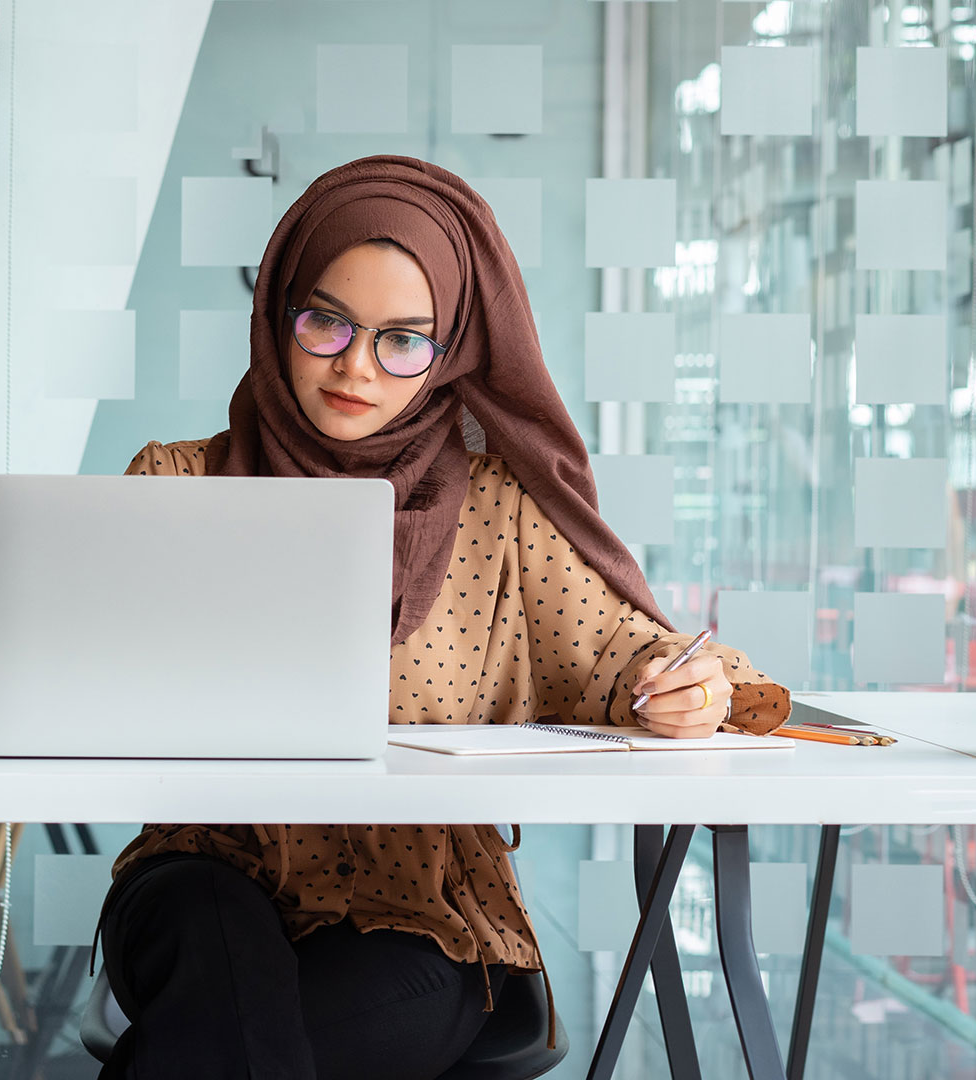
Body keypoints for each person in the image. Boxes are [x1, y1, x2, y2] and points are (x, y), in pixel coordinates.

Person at [92, 155, 790, 1080]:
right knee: (217, 957)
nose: (357, 367)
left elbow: (624, 652)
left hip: (425, 908)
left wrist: (689, 684)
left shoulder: (501, 511)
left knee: (226, 1041)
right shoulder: (176, 485)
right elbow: (87, 682)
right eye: (326, 323)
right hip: (204, 869)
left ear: (453, 346)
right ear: (277, 312)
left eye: (403, 340)